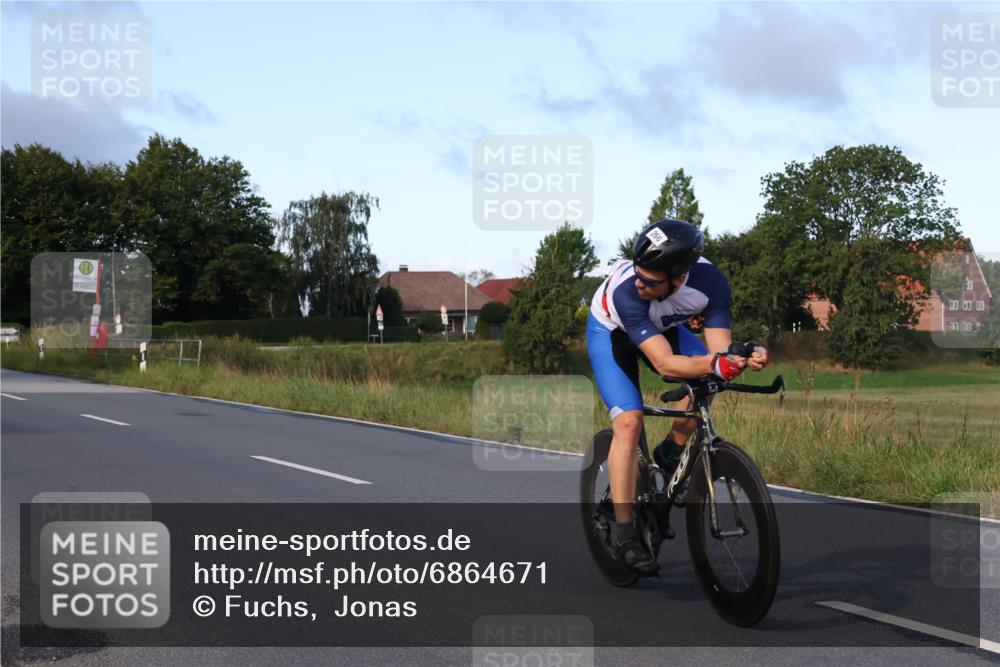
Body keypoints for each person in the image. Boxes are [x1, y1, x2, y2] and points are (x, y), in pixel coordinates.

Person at [586, 219, 770, 574]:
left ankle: (670, 455)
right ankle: (624, 532)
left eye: (651, 280)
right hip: (611, 333)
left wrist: (745, 356)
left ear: (680, 276)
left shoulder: (710, 283)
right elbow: (666, 365)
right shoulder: (629, 292)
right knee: (629, 421)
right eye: (639, 274)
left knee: (708, 382)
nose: (640, 283)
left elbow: (719, 351)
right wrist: (718, 362)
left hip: (663, 328)